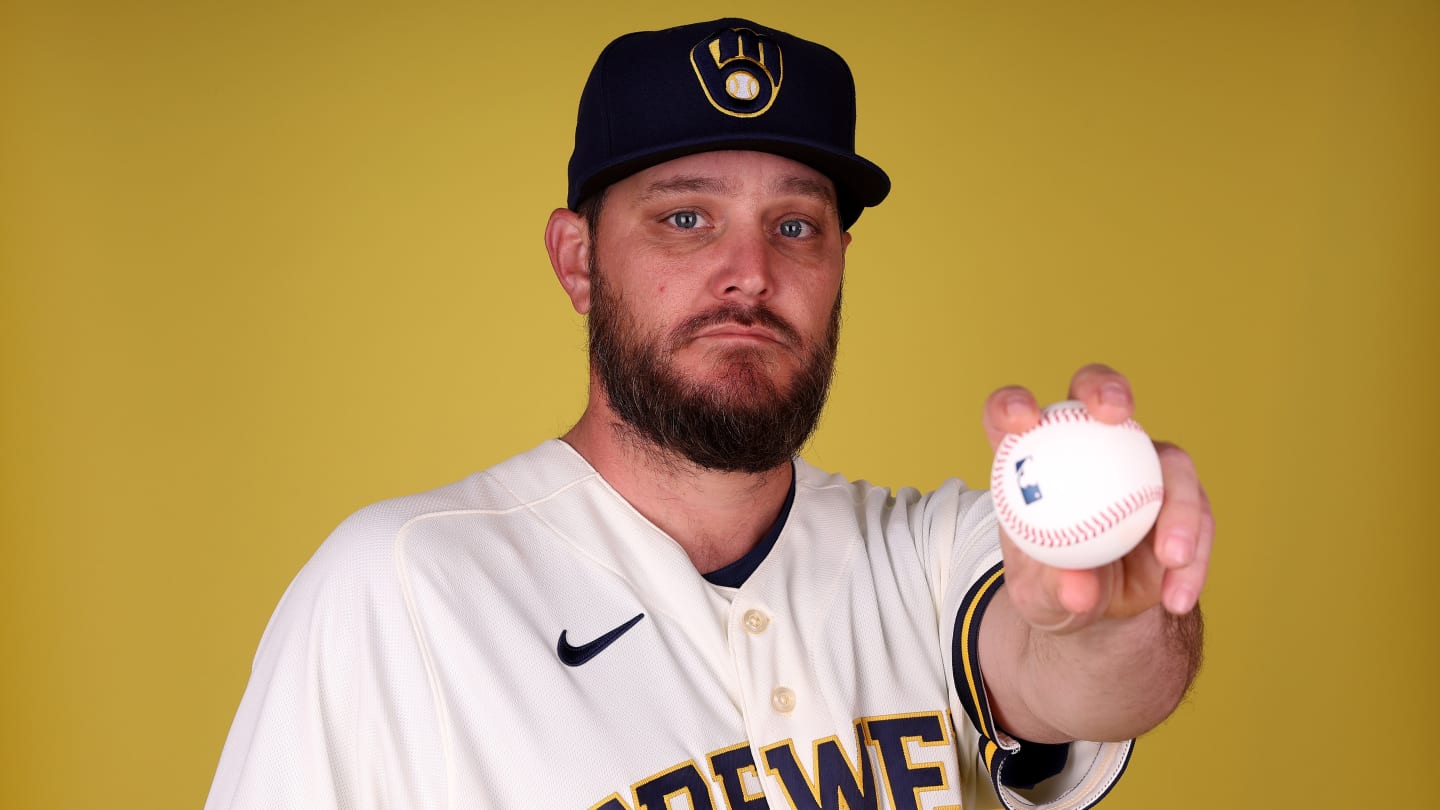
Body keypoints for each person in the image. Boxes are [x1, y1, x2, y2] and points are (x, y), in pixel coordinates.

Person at [206, 17, 1209, 810]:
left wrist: (1119, 610)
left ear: (838, 266)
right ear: (577, 259)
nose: (750, 274)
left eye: (796, 224)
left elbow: (1077, 676)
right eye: (685, 218)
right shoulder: (402, 589)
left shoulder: (934, 557)